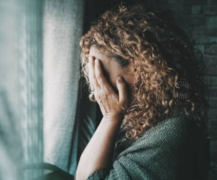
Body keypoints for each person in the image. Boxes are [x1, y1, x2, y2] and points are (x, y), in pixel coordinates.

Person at [75, 4, 210, 180]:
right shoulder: (146, 118)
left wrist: (110, 118)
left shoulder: (173, 131)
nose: (97, 89)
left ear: (139, 67)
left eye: (100, 71)